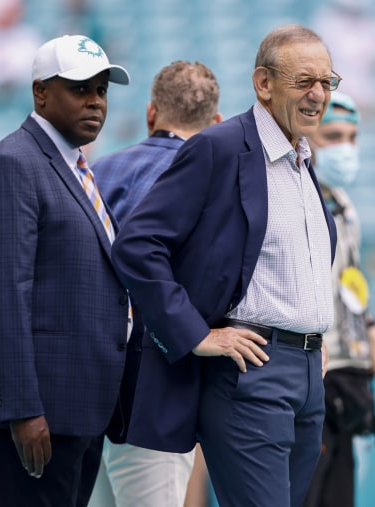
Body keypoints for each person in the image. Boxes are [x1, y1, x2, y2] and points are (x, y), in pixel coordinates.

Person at [112, 24, 339, 507]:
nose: (318, 94)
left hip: (307, 373)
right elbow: (138, 244)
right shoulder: (218, 147)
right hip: (252, 370)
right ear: (263, 83)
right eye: (304, 81)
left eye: (327, 82)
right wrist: (196, 333)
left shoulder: (302, 159)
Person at [0, 34, 132, 506]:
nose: (95, 101)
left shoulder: (72, 169)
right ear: (40, 93)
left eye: (102, 90)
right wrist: (23, 410)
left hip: (75, 410)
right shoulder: (14, 164)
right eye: (80, 89)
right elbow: (2, 295)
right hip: (34, 417)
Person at [89, 60, 222, 507]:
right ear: (217, 124)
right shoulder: (215, 186)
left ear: (151, 113)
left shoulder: (96, 174)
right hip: (157, 387)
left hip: (87, 383)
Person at [302, 92, 375, 507]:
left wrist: (370, 326)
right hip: (312, 368)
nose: (345, 147)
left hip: (347, 371)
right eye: (333, 135)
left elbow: (349, 281)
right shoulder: (296, 195)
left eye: (352, 137)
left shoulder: (344, 202)